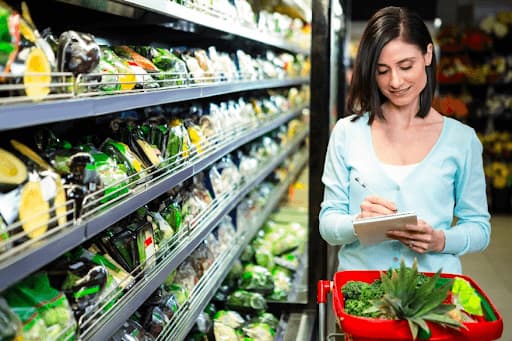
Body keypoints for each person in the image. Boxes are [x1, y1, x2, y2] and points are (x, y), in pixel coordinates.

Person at [319, 6, 491, 274]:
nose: (395, 81)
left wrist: (441, 240)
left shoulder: (461, 140)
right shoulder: (347, 133)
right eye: (382, 70)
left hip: (434, 293)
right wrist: (357, 222)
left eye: (405, 66)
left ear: (428, 55)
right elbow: (328, 224)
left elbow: (479, 227)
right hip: (362, 295)